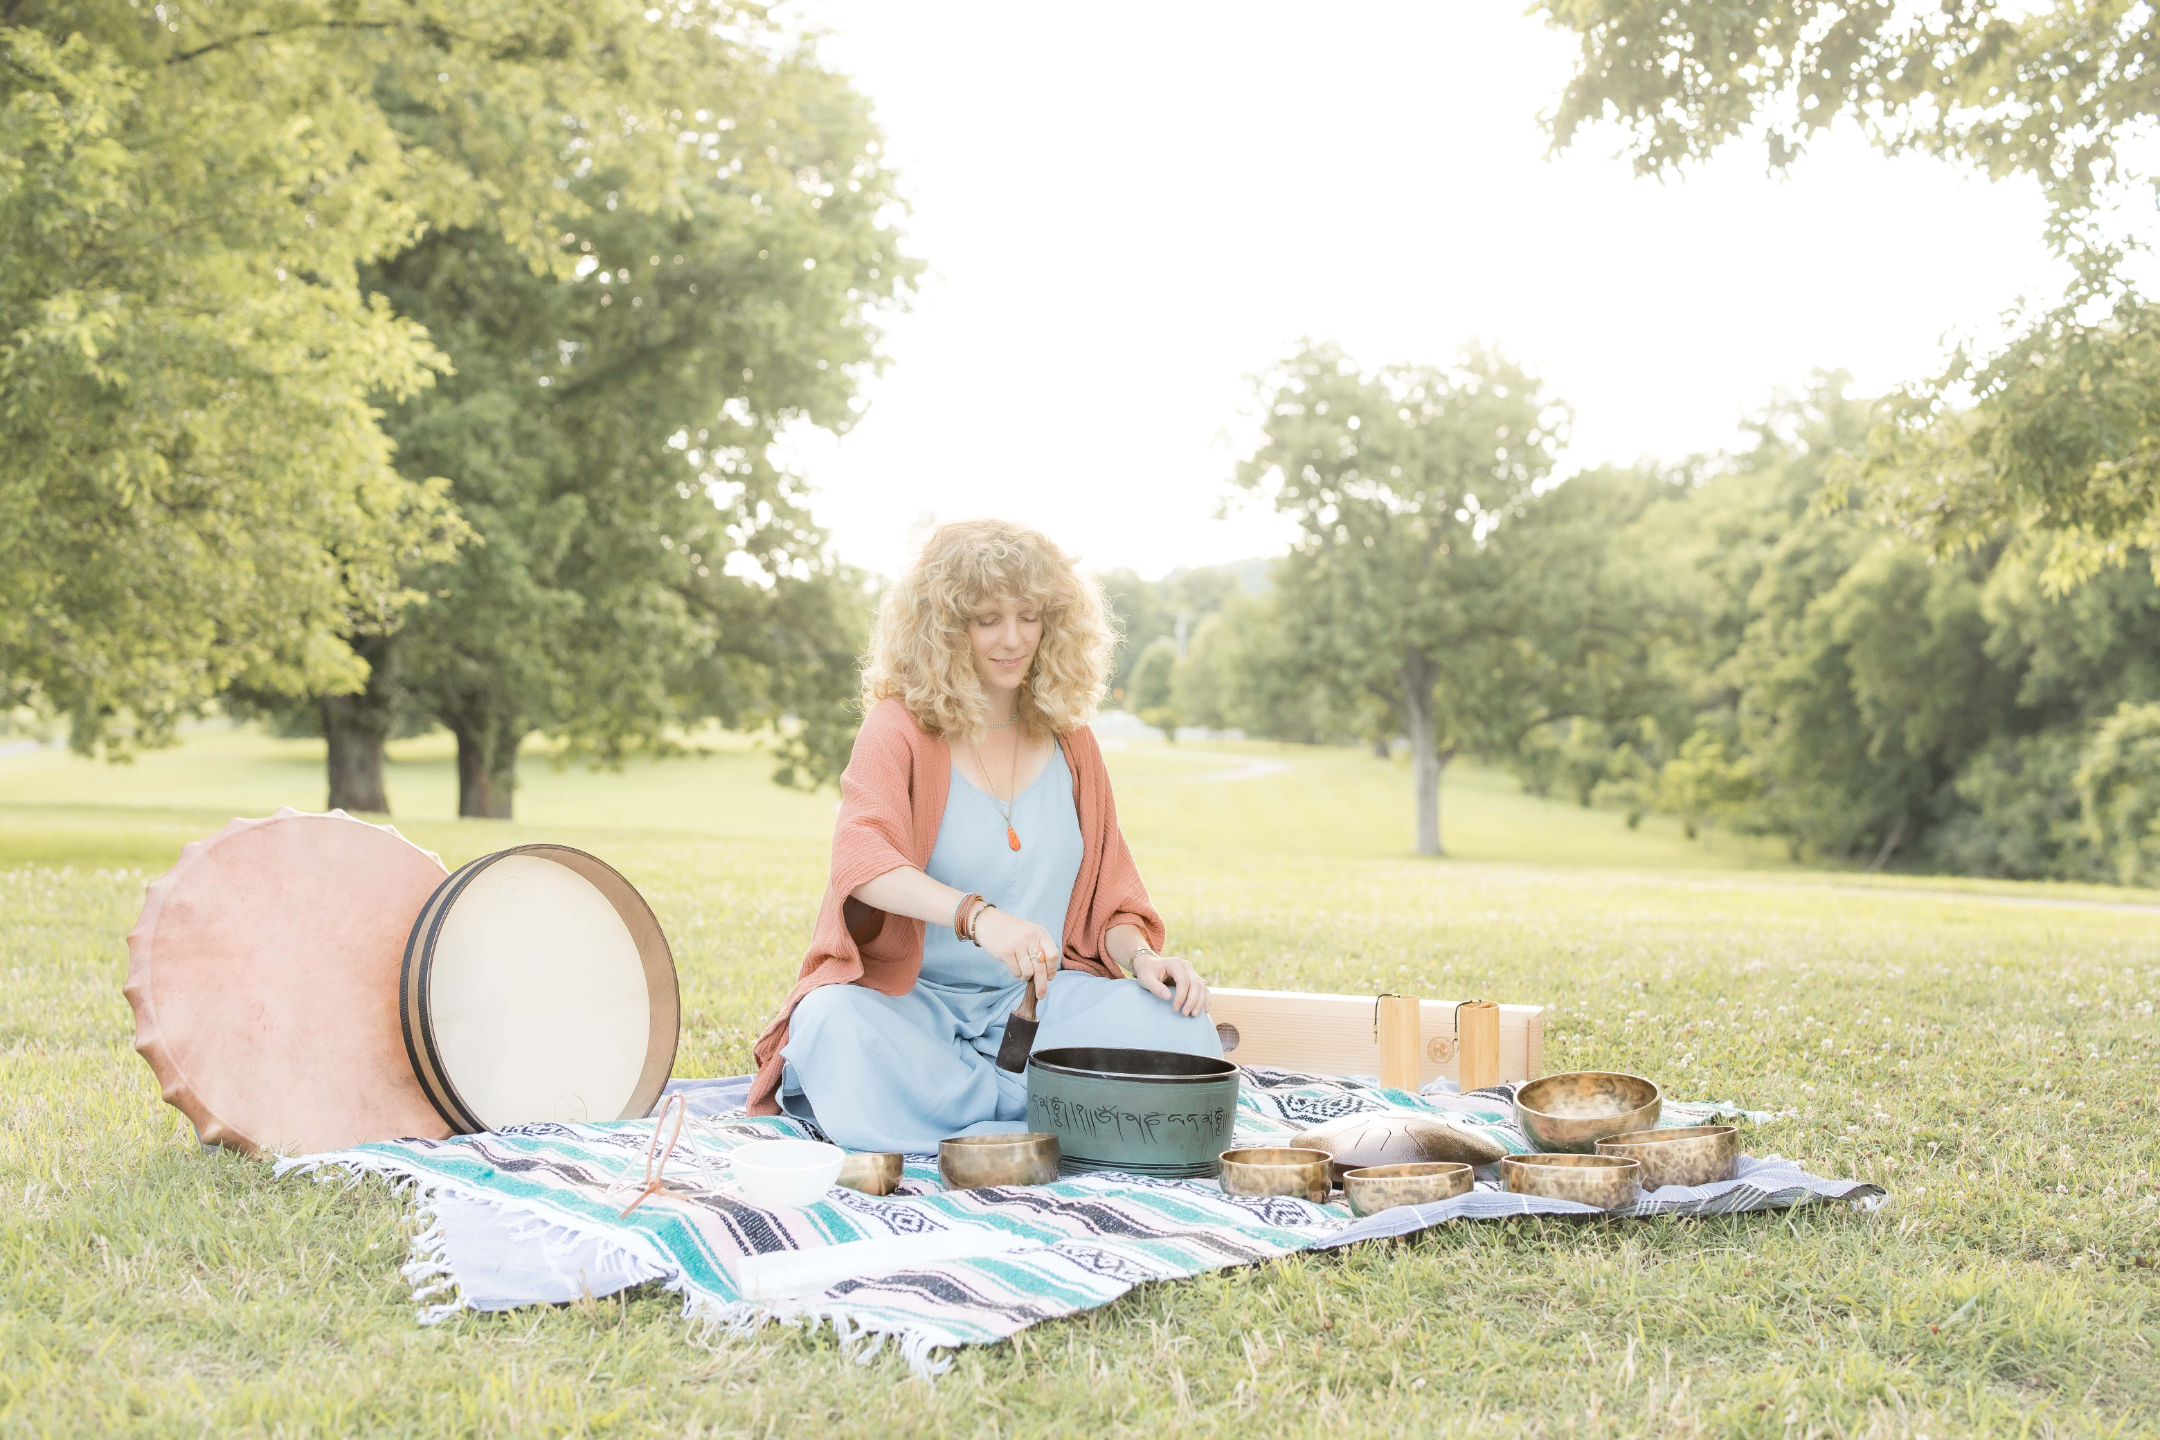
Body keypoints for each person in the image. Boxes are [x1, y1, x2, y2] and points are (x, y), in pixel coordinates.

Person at [747, 519, 1219, 1152]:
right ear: (943, 628)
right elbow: (861, 860)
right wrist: (979, 917)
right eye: (987, 618)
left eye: (1029, 616)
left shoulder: (1071, 741)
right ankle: (1051, 1117)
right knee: (831, 1023)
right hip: (911, 1007)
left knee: (1180, 1029)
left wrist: (1143, 960)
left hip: (1037, 1009)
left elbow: (1109, 903)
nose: (1013, 639)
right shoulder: (898, 729)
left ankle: (964, 1117)